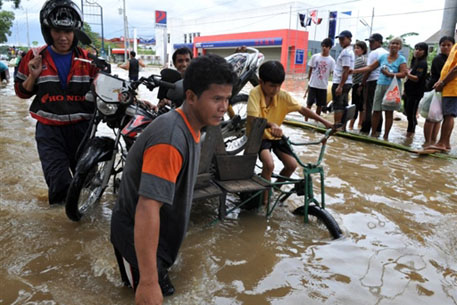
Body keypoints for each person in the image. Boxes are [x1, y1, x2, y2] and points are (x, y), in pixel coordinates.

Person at [110, 54, 237, 304]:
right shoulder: (170, 140)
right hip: (136, 241)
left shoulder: (193, 127)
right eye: (216, 99)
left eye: (227, 99)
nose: (224, 107)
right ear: (191, 96)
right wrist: (148, 281)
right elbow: (147, 207)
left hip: (154, 242)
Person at [14, 0, 97, 205]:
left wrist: (100, 84)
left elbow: (109, 91)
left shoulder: (89, 60)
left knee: (88, 184)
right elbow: (21, 93)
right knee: (59, 184)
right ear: (47, 31)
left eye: (68, 32)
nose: (63, 37)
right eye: (57, 31)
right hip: (49, 132)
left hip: (83, 130)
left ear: (75, 32)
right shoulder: (33, 57)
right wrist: (33, 76)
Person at [246, 61, 334, 205]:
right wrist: (271, 124)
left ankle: (274, 190)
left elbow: (302, 109)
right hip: (258, 137)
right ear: (261, 82)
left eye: (279, 86)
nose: (276, 90)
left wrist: (325, 122)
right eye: (272, 86)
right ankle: (264, 200)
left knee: (292, 165)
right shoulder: (254, 93)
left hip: (275, 136)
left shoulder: (283, 96)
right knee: (268, 164)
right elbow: (252, 119)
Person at [352, 37, 407, 140]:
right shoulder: (383, 57)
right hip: (380, 85)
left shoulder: (401, 59)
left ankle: (385, 136)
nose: (394, 45)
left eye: (397, 44)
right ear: (389, 45)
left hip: (392, 88)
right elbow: (370, 67)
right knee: (376, 110)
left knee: (388, 112)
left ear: (400, 47)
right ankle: (373, 134)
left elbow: (404, 74)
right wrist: (355, 71)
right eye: (392, 43)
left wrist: (390, 74)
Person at [423, 36, 455, 147]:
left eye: (448, 45)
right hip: (438, 89)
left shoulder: (453, 55)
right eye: (443, 45)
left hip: (447, 88)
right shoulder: (439, 59)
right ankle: (431, 142)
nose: (445, 47)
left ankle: (438, 142)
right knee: (434, 116)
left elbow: (453, 70)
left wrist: (442, 83)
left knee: (442, 116)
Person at [360, 33, 388, 134]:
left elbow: (369, 70)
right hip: (383, 82)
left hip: (372, 82)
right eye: (369, 42)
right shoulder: (386, 53)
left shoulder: (374, 53)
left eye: (372, 42)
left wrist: (362, 83)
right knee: (378, 106)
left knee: (368, 106)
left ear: (379, 42)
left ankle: (365, 129)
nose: (370, 44)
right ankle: (378, 129)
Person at [304, 38, 335, 118]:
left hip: (323, 86)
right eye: (323, 46)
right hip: (313, 85)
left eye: (326, 46)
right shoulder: (315, 57)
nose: (324, 48)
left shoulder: (331, 61)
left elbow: (333, 73)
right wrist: (308, 83)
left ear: (330, 48)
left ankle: (316, 120)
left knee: (320, 105)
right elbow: (310, 70)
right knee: (309, 104)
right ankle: (306, 119)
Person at [404, 42, 428, 138]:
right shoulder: (414, 62)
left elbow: (417, 78)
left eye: (420, 49)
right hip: (409, 92)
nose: (417, 51)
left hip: (415, 93)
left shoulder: (422, 63)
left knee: (411, 113)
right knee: (407, 112)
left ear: (424, 52)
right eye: (416, 49)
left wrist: (407, 74)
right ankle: (411, 130)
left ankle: (410, 134)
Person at [332, 30, 355, 126]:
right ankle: (343, 127)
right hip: (348, 82)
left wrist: (340, 86)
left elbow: (346, 70)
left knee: (338, 106)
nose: (341, 41)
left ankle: (336, 127)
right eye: (340, 39)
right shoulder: (350, 51)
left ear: (349, 39)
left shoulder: (346, 52)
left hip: (341, 82)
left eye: (343, 39)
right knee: (344, 105)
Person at [349, 40, 368, 130]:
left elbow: (351, 70)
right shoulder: (364, 58)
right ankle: (359, 124)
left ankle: (351, 125)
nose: (356, 50)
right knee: (361, 107)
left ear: (363, 49)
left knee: (355, 106)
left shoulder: (360, 59)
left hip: (358, 85)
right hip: (362, 85)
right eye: (355, 48)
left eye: (358, 48)